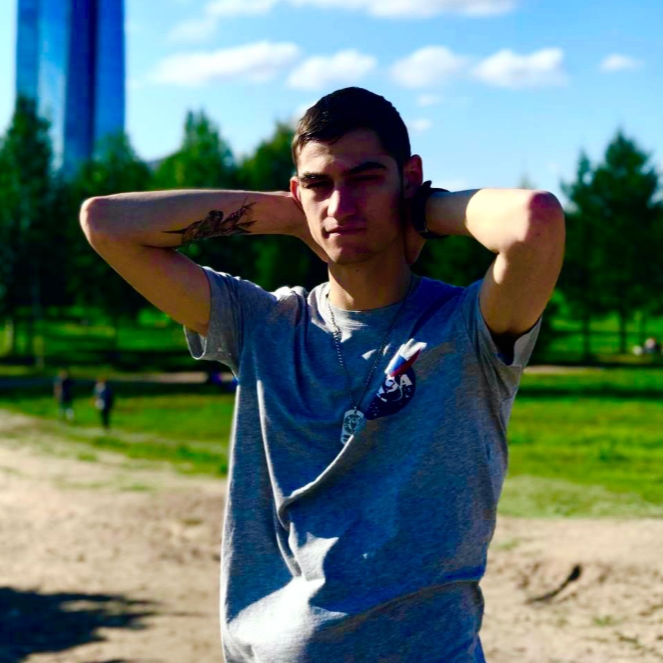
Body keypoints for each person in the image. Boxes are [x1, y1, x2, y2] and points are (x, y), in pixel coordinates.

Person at [79, 87, 565, 662]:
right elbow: (105, 222)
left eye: (365, 179)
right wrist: (287, 215)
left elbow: (534, 222)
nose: (340, 205)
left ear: (408, 178)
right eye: (319, 184)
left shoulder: (466, 328)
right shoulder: (261, 324)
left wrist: (421, 209)